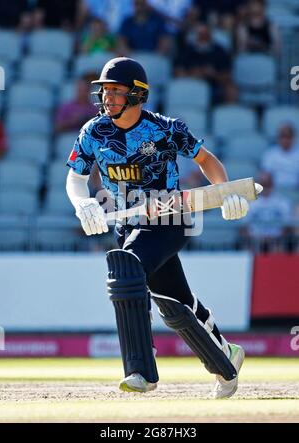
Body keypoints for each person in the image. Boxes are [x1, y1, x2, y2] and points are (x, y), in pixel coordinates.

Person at [66, 57, 250, 398]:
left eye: (116, 91)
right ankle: (226, 357)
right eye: (104, 91)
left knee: (127, 268)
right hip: (127, 224)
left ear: (137, 95)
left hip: (169, 219)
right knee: (174, 301)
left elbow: (207, 160)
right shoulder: (93, 131)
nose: (107, 98)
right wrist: (83, 203)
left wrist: (225, 195)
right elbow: (75, 178)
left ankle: (140, 368)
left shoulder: (166, 129)